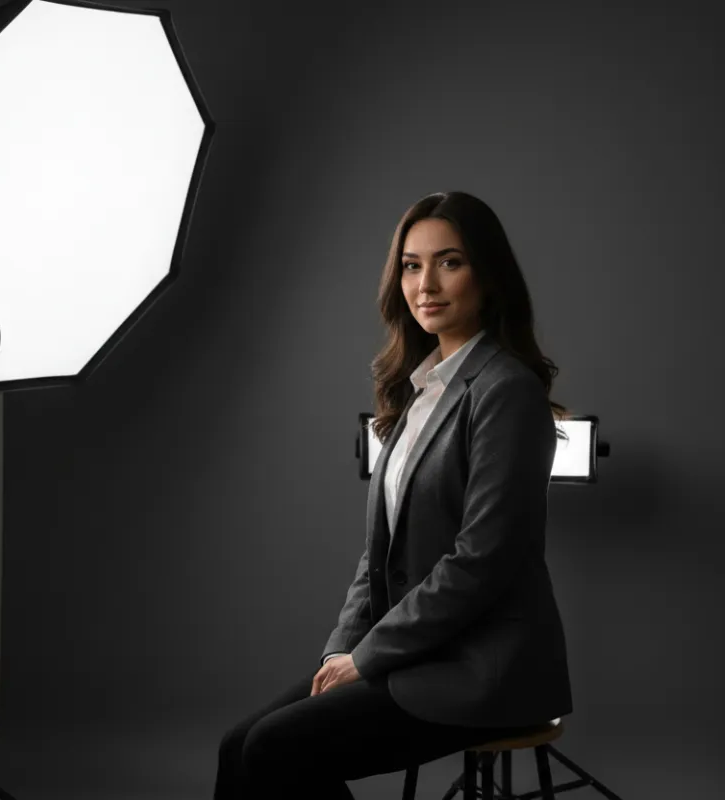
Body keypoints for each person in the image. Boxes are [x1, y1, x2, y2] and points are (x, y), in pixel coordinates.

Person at [215, 191, 573, 799]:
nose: (426, 283)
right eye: (411, 265)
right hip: (415, 653)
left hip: (481, 669)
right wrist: (342, 650)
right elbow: (376, 553)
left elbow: (481, 560)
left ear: (488, 274)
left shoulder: (505, 391)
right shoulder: (419, 390)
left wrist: (371, 657)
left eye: (449, 262)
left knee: (277, 748)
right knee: (237, 747)